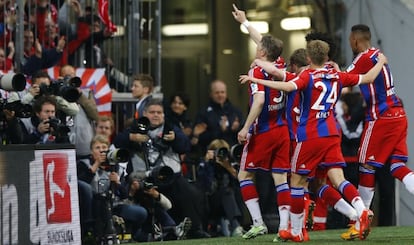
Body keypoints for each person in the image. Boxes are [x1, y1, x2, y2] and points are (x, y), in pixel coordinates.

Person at [239, 40, 388, 242]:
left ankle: (297, 231)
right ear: (326, 58)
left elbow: (284, 83)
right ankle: (361, 210)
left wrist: (257, 80)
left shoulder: (306, 77)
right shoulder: (337, 75)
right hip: (332, 134)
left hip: (310, 136)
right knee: (338, 179)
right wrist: (380, 62)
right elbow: (369, 77)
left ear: (309, 58)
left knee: (297, 182)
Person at [113, 99, 210, 239]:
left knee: (191, 193)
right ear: (144, 113)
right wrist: (132, 137)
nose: (156, 115)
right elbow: (117, 141)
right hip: (146, 178)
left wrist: (175, 138)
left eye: (159, 112)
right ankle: (168, 230)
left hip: (172, 178)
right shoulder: (136, 128)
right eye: (152, 112)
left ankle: (195, 230)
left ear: (164, 115)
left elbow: (185, 146)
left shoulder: (171, 128)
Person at [347, 24, 414, 225]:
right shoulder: (377, 55)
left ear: (356, 40)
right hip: (399, 115)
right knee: (396, 165)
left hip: (381, 117)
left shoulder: (363, 58)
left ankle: (361, 220)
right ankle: (362, 219)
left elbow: (344, 79)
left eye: (351, 40)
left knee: (366, 165)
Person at [236, 34, 292, 241]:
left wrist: (245, 128)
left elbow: (259, 101)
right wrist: (245, 22)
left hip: (264, 131)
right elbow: (268, 43)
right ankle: (284, 227)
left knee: (244, 176)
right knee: (280, 179)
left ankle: (258, 223)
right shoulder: (279, 65)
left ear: (261, 52)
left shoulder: (257, 71)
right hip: (282, 129)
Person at [77, 134, 148, 244]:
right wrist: (96, 164)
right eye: (98, 148)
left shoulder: (116, 166)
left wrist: (117, 182)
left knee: (141, 212)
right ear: (91, 152)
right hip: (93, 207)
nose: (102, 151)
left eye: (104, 148)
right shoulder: (84, 164)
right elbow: (82, 184)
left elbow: (124, 194)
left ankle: (133, 235)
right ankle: (89, 233)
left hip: (113, 206)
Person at [196, 139, 244, 237]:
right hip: (210, 202)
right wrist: (208, 163)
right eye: (217, 152)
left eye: (223, 152)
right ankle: (235, 226)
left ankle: (235, 225)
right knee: (226, 192)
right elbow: (205, 186)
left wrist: (227, 167)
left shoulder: (230, 163)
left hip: (230, 202)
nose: (220, 155)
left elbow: (241, 181)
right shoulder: (204, 164)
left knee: (228, 192)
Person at [192, 80, 244, 159]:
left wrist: (236, 129)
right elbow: (201, 137)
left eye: (222, 92)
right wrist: (220, 131)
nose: (220, 95)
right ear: (211, 94)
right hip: (212, 155)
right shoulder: (204, 113)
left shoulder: (235, 111)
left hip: (233, 155)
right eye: (217, 93)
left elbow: (244, 133)